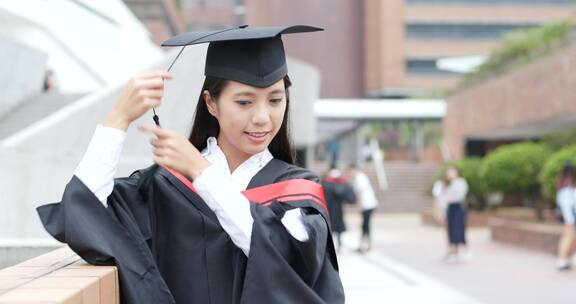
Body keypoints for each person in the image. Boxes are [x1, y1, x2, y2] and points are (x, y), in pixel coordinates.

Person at [36, 25, 344, 303]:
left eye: (275, 100)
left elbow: (287, 261)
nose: (262, 117)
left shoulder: (297, 192)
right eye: (245, 102)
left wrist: (202, 172)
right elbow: (84, 210)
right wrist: (118, 118)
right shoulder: (167, 185)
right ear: (211, 103)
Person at [322, 163, 356, 253]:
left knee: (330, 228)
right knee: (338, 228)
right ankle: (339, 245)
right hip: (338, 209)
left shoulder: (326, 182)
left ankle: (330, 247)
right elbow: (349, 197)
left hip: (329, 209)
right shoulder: (342, 183)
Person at [441, 166, 470, 262]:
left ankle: (464, 250)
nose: (449, 174)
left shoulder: (461, 183)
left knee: (459, 228)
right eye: (448, 173)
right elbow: (443, 198)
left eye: (451, 172)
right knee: (451, 229)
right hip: (451, 209)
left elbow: (459, 196)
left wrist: (449, 199)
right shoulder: (448, 184)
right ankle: (453, 251)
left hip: (458, 208)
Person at [347, 164, 378, 253]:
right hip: (367, 205)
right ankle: (364, 245)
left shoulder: (360, 178)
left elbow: (361, 193)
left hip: (368, 205)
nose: (349, 174)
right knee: (364, 225)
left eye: (350, 172)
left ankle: (367, 245)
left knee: (365, 225)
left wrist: (359, 206)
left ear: (353, 170)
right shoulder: (358, 177)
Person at [555, 161, 576, 271]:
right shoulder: (567, 185)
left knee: (571, 238)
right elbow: (566, 206)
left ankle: (567, 258)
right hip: (569, 217)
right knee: (567, 238)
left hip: (570, 216)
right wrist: (570, 220)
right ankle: (561, 260)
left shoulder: (563, 183)